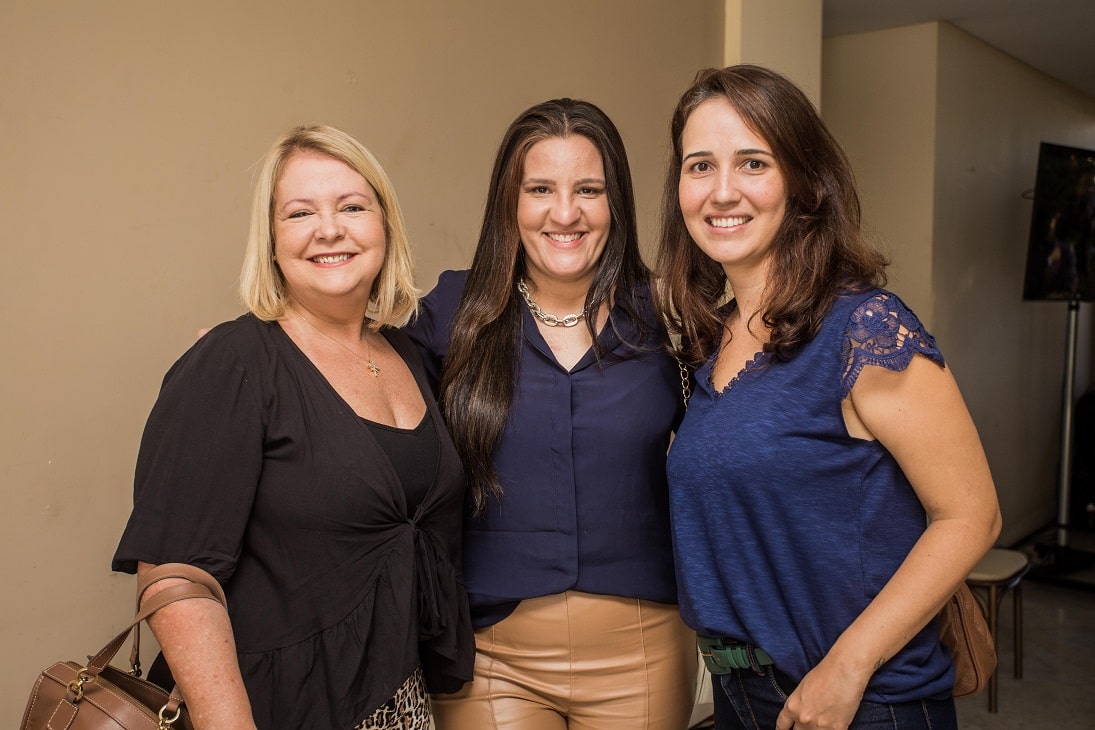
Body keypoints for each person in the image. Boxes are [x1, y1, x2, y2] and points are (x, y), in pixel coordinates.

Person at [655, 65, 1002, 730]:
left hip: (862, 700)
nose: (721, 191)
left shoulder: (864, 328)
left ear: (803, 182)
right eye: (699, 166)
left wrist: (846, 668)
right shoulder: (709, 338)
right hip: (743, 696)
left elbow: (970, 516)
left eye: (752, 163)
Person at [112, 124, 473, 729]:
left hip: (401, 705)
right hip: (272, 709)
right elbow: (175, 575)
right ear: (272, 240)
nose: (329, 229)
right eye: (300, 212)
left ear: (384, 225)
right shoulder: (231, 363)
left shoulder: (410, 356)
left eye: (352, 207)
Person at [404, 98, 697, 729]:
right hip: (490, 658)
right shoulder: (453, 313)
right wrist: (268, 347)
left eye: (588, 189)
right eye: (540, 188)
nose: (565, 213)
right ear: (510, 202)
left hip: (643, 653)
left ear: (615, 200)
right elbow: (361, 383)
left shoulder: (668, 317)